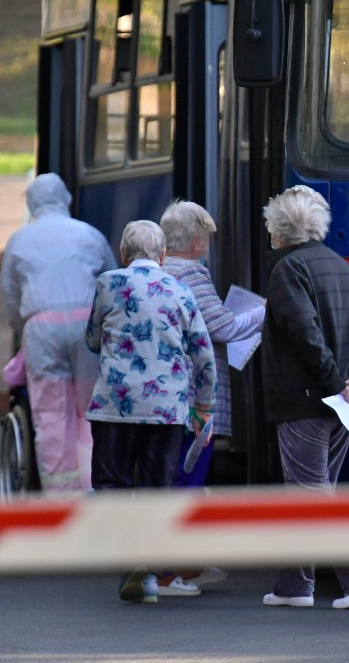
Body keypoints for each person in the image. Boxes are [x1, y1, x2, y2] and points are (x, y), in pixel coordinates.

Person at [259, 185, 349, 610]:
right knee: (315, 491)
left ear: (279, 232)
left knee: (309, 494)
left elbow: (305, 334)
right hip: (344, 402)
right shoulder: (347, 269)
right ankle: (294, 586)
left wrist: (334, 379)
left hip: (307, 399)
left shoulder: (287, 271)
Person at [85, 220, 217, 603]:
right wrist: (203, 406)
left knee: (112, 485)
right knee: (158, 489)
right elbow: (203, 356)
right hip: (166, 410)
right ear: (162, 255)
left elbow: (93, 340)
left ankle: (130, 562)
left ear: (124, 254)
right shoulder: (182, 291)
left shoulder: (108, 284)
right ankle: (150, 569)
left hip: (115, 406)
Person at [160, 199, 266, 591]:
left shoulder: (158, 269)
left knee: (170, 477)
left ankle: (177, 566)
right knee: (189, 480)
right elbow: (221, 327)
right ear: (192, 240)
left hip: (165, 398)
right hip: (196, 397)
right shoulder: (191, 272)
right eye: (204, 237)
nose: (207, 246)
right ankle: (172, 571)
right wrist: (262, 311)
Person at [0, 172, 117, 495]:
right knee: (89, 410)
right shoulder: (89, 234)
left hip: (41, 328)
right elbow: (111, 283)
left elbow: (10, 298)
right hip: (86, 327)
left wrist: (26, 334)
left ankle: (60, 496)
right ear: (66, 199)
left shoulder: (18, 240)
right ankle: (94, 487)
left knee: (51, 415)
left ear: (32, 203)